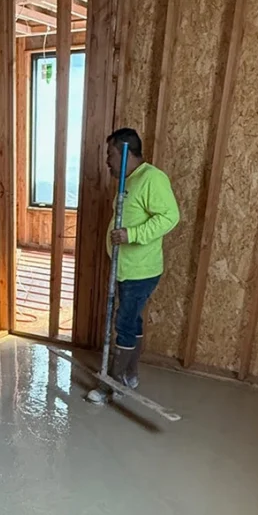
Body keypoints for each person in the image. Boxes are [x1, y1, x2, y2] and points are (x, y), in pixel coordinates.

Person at [102, 127, 179, 389]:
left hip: (141, 270)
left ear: (126, 153)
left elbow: (170, 217)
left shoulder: (152, 178)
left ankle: (116, 380)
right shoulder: (130, 180)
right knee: (131, 319)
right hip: (126, 268)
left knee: (124, 320)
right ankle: (129, 375)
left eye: (110, 154)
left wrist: (131, 234)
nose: (107, 161)